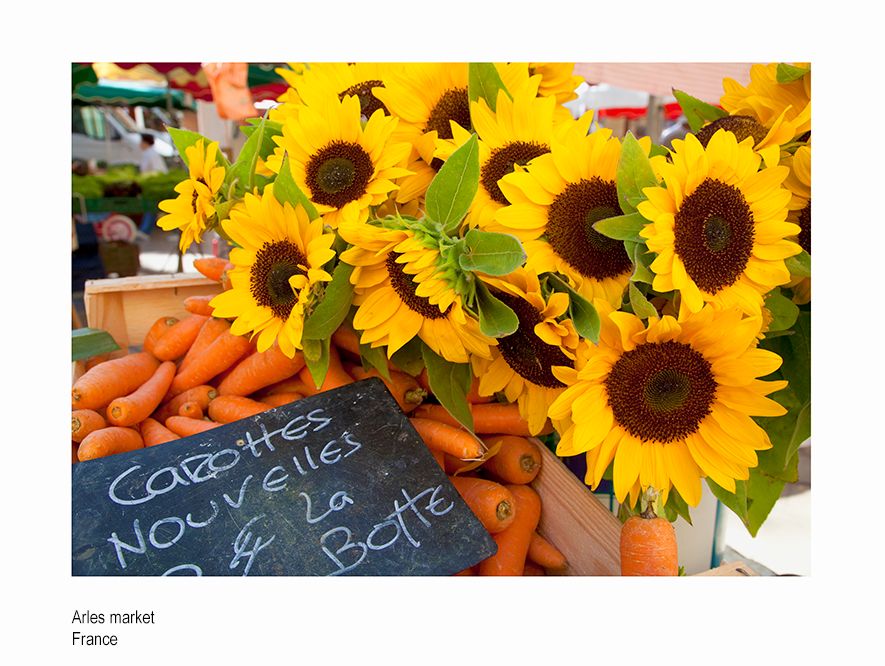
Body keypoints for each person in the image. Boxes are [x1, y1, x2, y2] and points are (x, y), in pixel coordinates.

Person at [138, 134, 168, 237]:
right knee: (152, 208)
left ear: (145, 142)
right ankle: (145, 230)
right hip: (153, 183)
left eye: (141, 142)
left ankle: (145, 230)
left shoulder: (150, 154)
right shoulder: (151, 153)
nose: (139, 144)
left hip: (154, 185)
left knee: (151, 207)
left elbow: (154, 171)